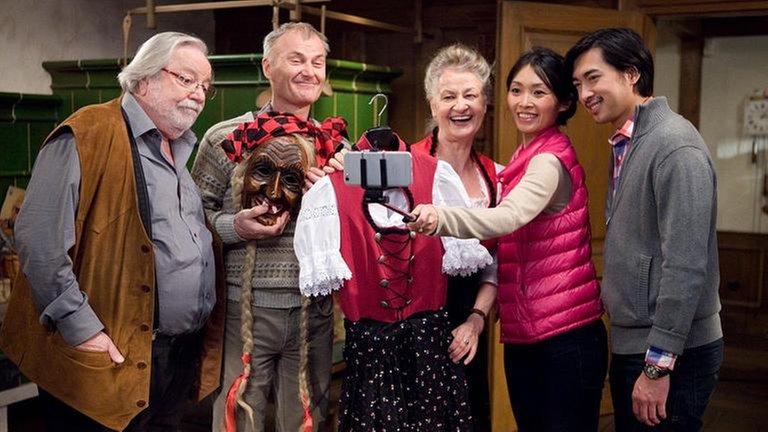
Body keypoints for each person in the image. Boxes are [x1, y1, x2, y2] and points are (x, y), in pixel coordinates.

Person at [0, 32, 223, 431]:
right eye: (186, 79)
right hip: (109, 360)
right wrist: (83, 330)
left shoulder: (178, 148)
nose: (199, 94)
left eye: (205, 85)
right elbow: (39, 240)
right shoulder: (90, 131)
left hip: (175, 363)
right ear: (144, 79)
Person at [409, 47, 608, 432]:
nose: (525, 102)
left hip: (559, 333)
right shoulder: (519, 159)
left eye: (539, 92)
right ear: (432, 104)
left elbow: (506, 220)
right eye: (517, 90)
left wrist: (438, 219)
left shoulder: (539, 162)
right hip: (509, 331)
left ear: (564, 101)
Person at [564, 28, 723, 431]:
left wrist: (657, 367)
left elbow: (686, 266)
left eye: (594, 78)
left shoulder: (674, 146)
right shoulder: (630, 140)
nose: (584, 94)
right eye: (578, 84)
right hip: (640, 345)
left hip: (670, 353)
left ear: (631, 74)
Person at [294, 127, 493, 431]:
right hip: (370, 351)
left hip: (430, 348)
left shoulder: (437, 176)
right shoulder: (329, 188)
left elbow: (470, 246)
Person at [191, 22, 338, 432]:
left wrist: (340, 198)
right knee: (239, 416)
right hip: (244, 310)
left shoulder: (337, 148)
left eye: (317, 62)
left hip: (314, 310)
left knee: (309, 419)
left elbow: (353, 237)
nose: (309, 71)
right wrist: (236, 226)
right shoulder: (225, 138)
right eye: (296, 59)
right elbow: (189, 222)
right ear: (268, 66)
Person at [411, 43, 499, 431]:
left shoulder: (497, 177)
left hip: (469, 329)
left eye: (471, 95)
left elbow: (497, 264)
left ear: (485, 104)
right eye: (449, 96)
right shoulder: (406, 165)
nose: (460, 106)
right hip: (412, 331)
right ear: (433, 106)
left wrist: (477, 320)